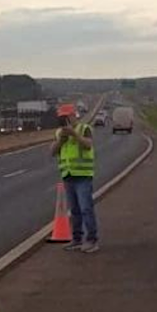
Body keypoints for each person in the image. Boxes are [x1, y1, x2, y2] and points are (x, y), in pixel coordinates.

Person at [51, 104, 99, 253]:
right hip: (68, 175)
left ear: (73, 115)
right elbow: (52, 151)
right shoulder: (59, 133)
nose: (64, 121)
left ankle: (92, 239)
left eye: (66, 117)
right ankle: (77, 239)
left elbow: (88, 145)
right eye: (61, 118)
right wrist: (61, 140)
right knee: (74, 210)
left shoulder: (84, 128)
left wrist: (74, 135)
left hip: (83, 175)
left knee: (86, 208)